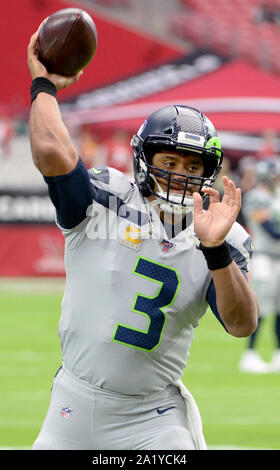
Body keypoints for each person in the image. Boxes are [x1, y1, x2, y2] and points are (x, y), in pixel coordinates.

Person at [27, 26, 259, 450]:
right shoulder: (105, 197)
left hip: (152, 418)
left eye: (192, 168)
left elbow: (242, 323)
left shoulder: (224, 234)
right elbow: (50, 151)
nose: (179, 176)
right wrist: (44, 85)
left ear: (209, 172)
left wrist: (215, 250)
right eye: (169, 161)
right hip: (73, 403)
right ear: (143, 159)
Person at [239, 158, 280, 374]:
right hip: (264, 256)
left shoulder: (275, 196)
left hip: (278, 258)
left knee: (279, 309)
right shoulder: (257, 197)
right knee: (261, 306)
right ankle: (250, 353)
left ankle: (277, 353)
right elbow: (271, 229)